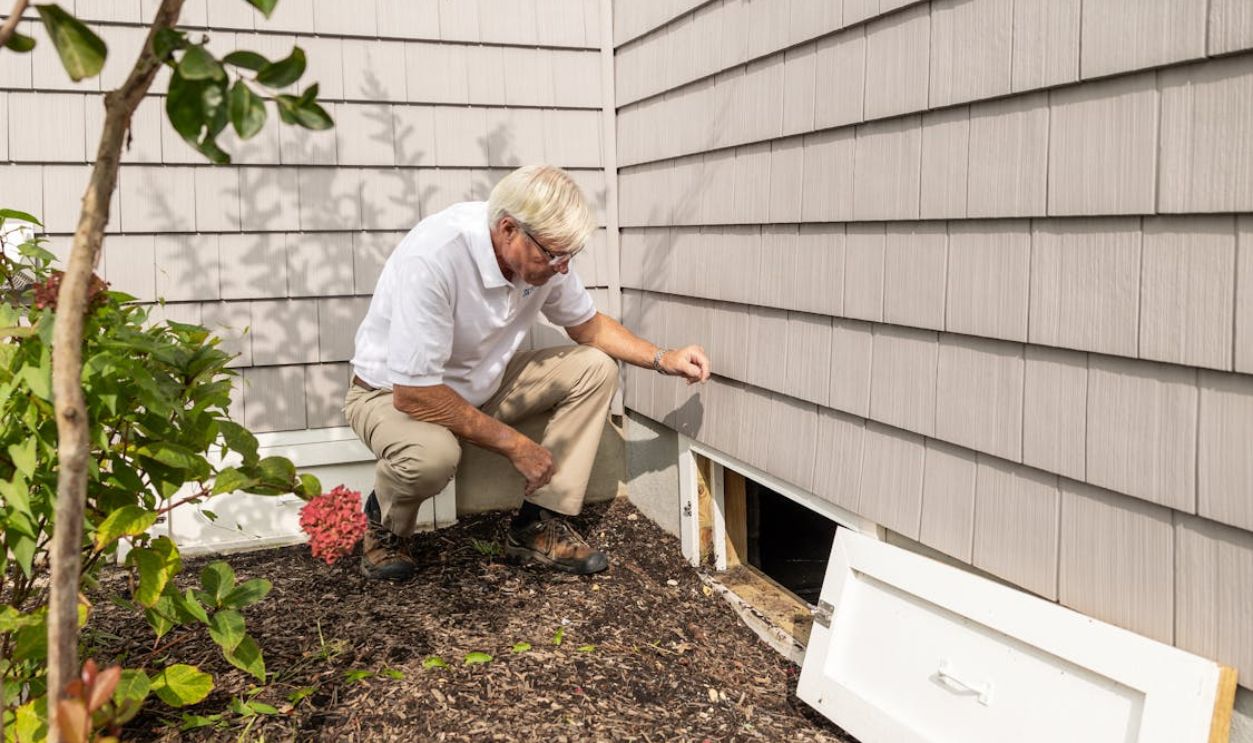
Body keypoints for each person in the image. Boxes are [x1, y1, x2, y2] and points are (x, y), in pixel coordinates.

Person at [345, 165, 711, 581]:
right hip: (389, 393)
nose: (562, 268)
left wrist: (664, 358)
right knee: (432, 457)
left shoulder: (544, 258)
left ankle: (538, 526)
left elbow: (587, 327)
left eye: (569, 257)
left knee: (594, 367)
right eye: (553, 255)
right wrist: (517, 446)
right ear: (507, 230)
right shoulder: (436, 258)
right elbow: (414, 393)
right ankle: (385, 525)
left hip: (479, 385)